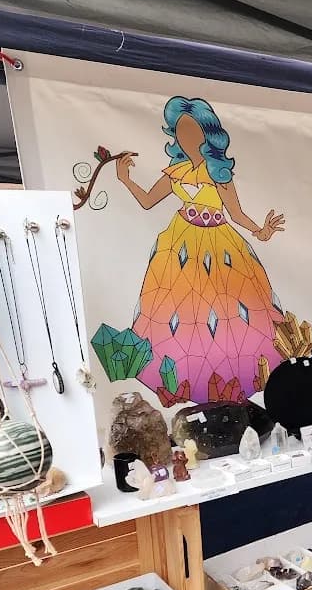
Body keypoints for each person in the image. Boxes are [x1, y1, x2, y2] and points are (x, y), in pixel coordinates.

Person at [115, 95, 286, 405]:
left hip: (220, 247)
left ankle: (232, 385)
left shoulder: (219, 173)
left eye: (193, 130)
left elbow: (236, 214)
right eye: (181, 130)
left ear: (208, 133)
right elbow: (148, 201)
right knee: (177, 315)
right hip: (179, 244)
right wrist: (125, 179)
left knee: (229, 316)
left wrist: (260, 232)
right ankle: (185, 384)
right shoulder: (176, 171)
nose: (187, 137)